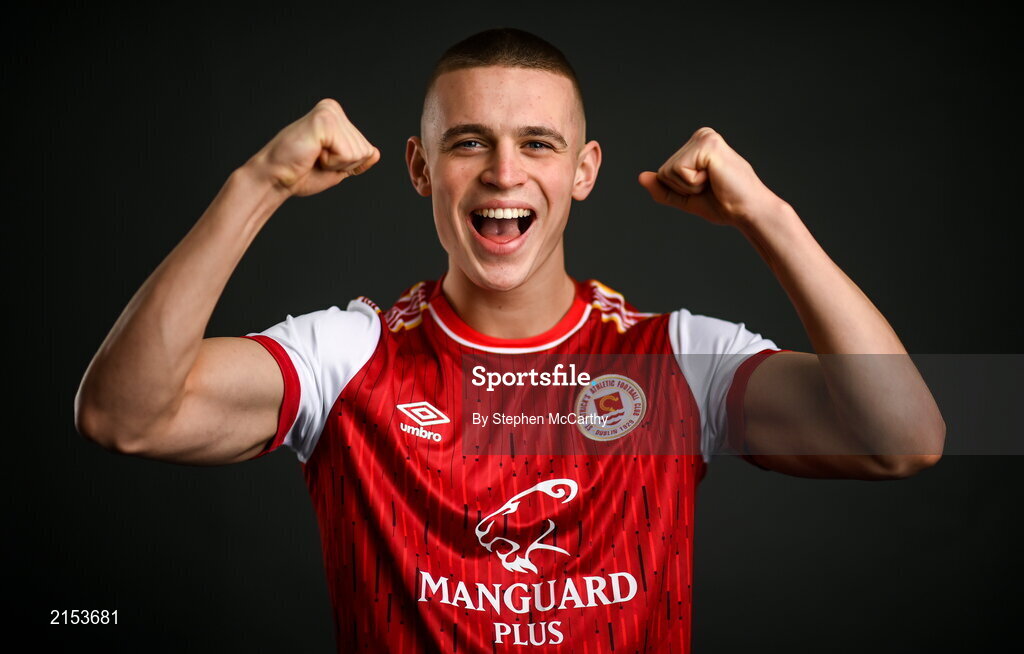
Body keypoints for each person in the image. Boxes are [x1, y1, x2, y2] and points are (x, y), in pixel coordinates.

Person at [74, 27, 945, 654]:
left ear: (583, 171)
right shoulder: (346, 358)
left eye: (537, 143)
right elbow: (124, 416)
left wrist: (768, 217)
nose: (503, 172)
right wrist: (258, 182)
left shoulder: (675, 363)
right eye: (468, 143)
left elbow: (904, 439)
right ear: (421, 169)